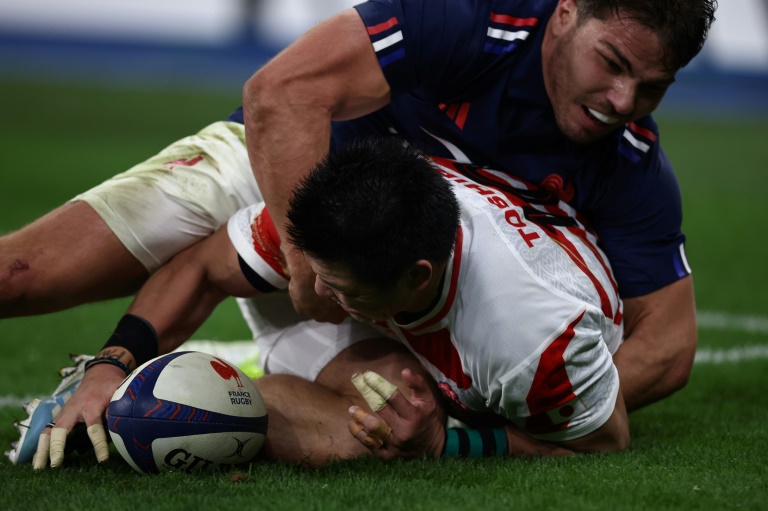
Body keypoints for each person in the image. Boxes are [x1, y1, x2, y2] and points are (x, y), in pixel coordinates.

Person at [0, 0, 716, 422]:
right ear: (566, 12)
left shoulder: (630, 164)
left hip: (389, 266)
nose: (622, 102)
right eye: (613, 63)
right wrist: (309, 259)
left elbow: (671, 342)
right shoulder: (473, 20)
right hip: (279, 164)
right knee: (19, 273)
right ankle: (124, 365)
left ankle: (231, 376)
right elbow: (281, 95)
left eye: (651, 87)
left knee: (386, 414)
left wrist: (544, 400)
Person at [23, 139, 628, 469]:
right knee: (388, 397)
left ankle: (146, 417)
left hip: (507, 326)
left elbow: (604, 442)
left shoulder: (534, 346)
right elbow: (202, 270)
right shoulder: (348, 218)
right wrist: (111, 363)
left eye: (341, 290)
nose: (314, 295)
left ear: (417, 279)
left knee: (378, 422)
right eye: (316, 273)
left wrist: (448, 443)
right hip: (418, 316)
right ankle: (108, 396)